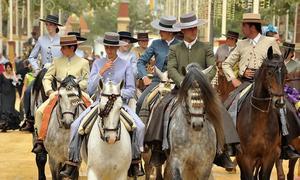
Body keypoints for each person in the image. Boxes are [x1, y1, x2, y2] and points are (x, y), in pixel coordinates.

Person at [146, 12, 237, 169]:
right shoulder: (175, 48)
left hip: (202, 89)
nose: (194, 31)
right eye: (190, 28)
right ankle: (157, 148)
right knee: (161, 106)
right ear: (183, 31)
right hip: (180, 89)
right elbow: (171, 68)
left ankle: (224, 150)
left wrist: (201, 81)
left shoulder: (206, 47)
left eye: (195, 28)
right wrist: (182, 82)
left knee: (220, 109)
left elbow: (212, 68)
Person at [60, 32, 145, 178]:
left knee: (140, 126)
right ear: (105, 47)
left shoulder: (125, 65)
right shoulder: (98, 63)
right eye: (107, 47)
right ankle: (73, 162)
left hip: (119, 105)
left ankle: (135, 162)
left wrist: (116, 96)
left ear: (117, 48)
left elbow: (131, 90)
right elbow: (91, 89)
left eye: (113, 48)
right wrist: (101, 71)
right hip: (99, 104)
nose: (110, 50)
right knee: (75, 126)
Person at [222, 13, 300, 159]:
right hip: (245, 83)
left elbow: (280, 65)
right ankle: (229, 144)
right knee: (227, 104)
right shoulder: (241, 44)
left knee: (286, 108)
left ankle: (285, 144)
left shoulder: (270, 41)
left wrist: (265, 74)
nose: (242, 28)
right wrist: (233, 78)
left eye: (243, 25)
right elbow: (226, 64)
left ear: (251, 27)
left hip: (268, 86)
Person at [32, 35, 90, 154]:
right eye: (61, 47)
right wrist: (50, 91)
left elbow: (87, 80)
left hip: (76, 96)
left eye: (63, 48)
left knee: (91, 109)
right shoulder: (56, 61)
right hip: (59, 94)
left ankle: (90, 140)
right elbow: (47, 78)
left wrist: (76, 87)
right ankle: (41, 140)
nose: (61, 50)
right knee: (39, 112)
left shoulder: (84, 62)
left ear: (72, 48)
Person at [136, 16, 180, 114]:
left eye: (162, 31)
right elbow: (140, 62)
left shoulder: (181, 45)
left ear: (170, 32)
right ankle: (139, 129)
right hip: (157, 82)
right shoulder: (155, 44)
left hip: (176, 84)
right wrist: (144, 76)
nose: (159, 33)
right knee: (140, 102)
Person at [215, 31, 239, 102]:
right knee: (220, 96)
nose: (228, 40)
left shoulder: (238, 49)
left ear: (235, 40)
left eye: (231, 38)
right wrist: (218, 63)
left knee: (231, 96)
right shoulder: (220, 48)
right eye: (227, 38)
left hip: (234, 77)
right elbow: (214, 60)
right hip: (220, 76)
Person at [0, 62, 20, 131]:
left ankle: (9, 125)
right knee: (4, 109)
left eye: (9, 67)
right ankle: (4, 125)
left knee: (10, 108)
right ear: (5, 68)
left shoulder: (13, 75)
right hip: (4, 94)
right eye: (7, 67)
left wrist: (14, 76)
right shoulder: (2, 75)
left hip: (12, 95)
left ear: (11, 68)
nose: (8, 69)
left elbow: (16, 84)